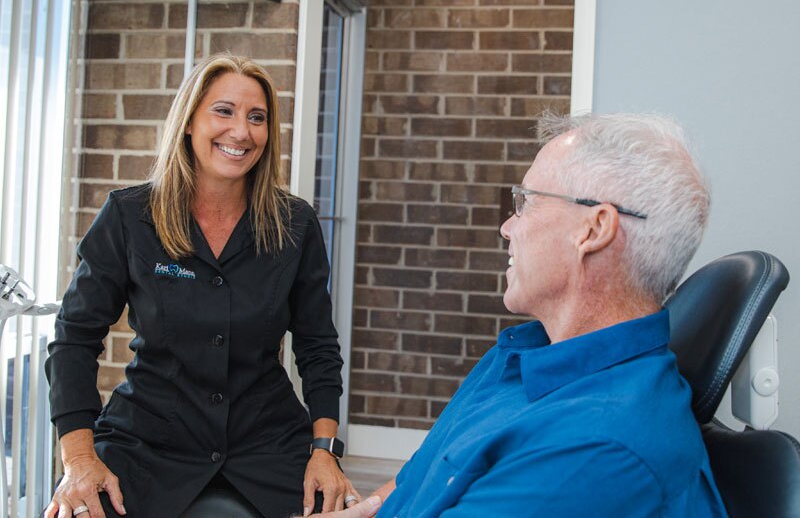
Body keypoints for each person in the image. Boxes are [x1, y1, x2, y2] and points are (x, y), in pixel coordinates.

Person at [313, 112, 729, 517]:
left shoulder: (593, 450)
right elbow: (433, 475)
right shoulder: (522, 355)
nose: (508, 227)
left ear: (594, 229)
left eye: (526, 202)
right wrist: (369, 509)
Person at [45, 53, 360, 518]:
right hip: (149, 439)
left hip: (267, 441)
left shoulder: (295, 224)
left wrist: (324, 451)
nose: (241, 131)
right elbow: (74, 338)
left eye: (257, 117)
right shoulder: (130, 216)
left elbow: (317, 345)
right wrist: (79, 459)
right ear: (190, 121)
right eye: (223, 111)